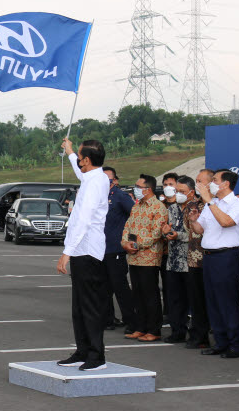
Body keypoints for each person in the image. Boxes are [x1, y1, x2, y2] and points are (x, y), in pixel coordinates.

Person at [55, 138, 111, 371]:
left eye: (79, 156)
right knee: (79, 306)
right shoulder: (91, 177)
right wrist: (69, 152)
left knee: (89, 306)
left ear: (87, 160)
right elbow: (80, 173)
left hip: (87, 251)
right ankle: (83, 351)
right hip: (82, 251)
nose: (77, 160)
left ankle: (96, 356)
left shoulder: (96, 182)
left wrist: (66, 253)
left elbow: (84, 220)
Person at [191, 169, 239, 358]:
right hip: (209, 257)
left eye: (214, 180)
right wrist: (193, 221)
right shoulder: (212, 203)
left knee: (228, 302)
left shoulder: (238, 204)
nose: (211, 184)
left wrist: (208, 201)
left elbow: (226, 222)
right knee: (213, 301)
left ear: (225, 184)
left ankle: (236, 344)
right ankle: (221, 342)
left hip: (227, 257)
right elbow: (200, 228)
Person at [121, 174, 168, 343]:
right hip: (134, 257)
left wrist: (136, 245)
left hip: (149, 257)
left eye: (137, 186)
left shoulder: (158, 207)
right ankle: (140, 327)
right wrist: (125, 242)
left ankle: (154, 329)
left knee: (150, 294)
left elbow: (156, 234)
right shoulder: (136, 206)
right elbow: (127, 226)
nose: (135, 189)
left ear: (147, 189)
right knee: (138, 293)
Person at [102, 166, 137, 334]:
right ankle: (108, 319)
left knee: (120, 286)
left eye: (108, 180)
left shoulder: (120, 196)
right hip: (99, 248)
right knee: (103, 287)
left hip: (115, 248)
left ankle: (131, 320)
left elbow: (134, 216)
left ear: (114, 181)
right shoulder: (96, 196)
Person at [181, 174, 211, 348]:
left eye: (201, 181)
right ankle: (198, 335)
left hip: (211, 256)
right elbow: (187, 226)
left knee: (213, 299)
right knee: (196, 300)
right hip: (194, 259)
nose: (198, 183)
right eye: (197, 181)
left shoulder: (215, 205)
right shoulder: (192, 205)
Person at [161, 176, 190, 344]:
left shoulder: (195, 209)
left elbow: (196, 234)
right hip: (172, 260)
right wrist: (166, 232)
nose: (177, 194)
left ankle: (197, 333)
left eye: (181, 191)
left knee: (191, 299)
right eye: (177, 191)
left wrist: (178, 235)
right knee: (174, 299)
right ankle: (177, 331)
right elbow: (169, 231)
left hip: (189, 262)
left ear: (191, 192)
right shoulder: (172, 209)